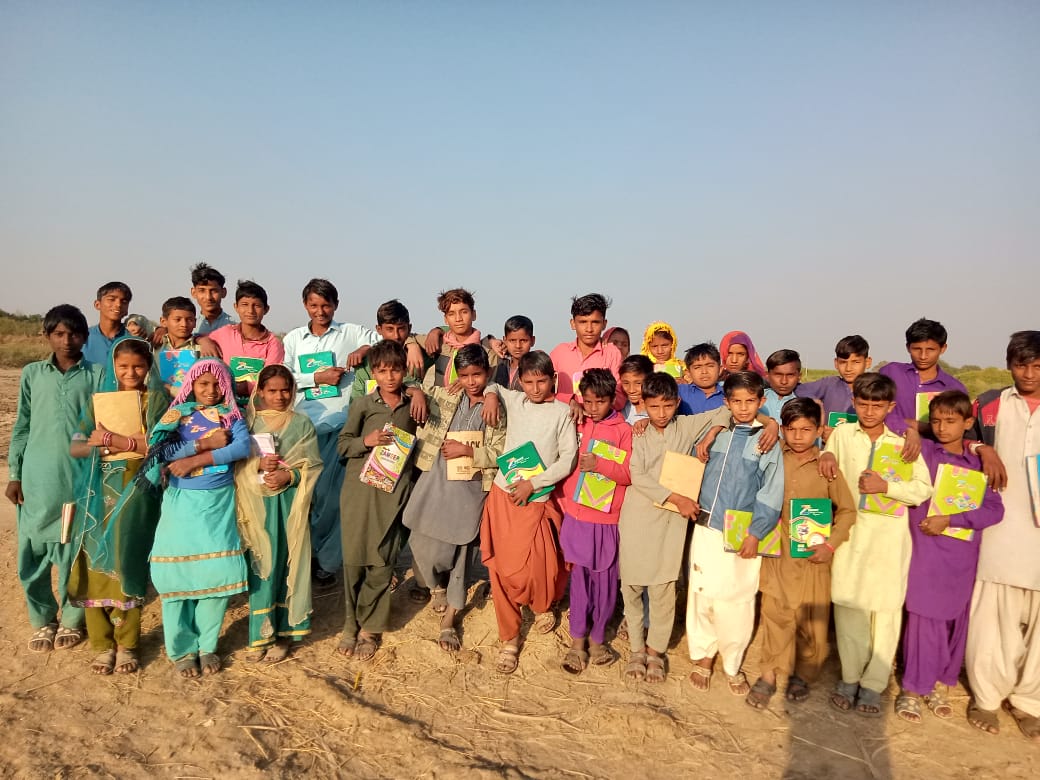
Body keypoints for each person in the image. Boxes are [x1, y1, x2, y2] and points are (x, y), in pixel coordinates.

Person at [618, 373, 765, 683]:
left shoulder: (686, 426)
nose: (661, 413)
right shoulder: (638, 432)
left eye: (668, 405)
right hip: (638, 517)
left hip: (671, 522)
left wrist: (711, 433)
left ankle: (655, 652)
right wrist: (676, 498)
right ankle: (635, 650)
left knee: (663, 588)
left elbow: (728, 410)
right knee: (631, 587)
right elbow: (637, 474)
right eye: (654, 406)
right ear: (643, 404)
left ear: (677, 403)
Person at [819, 373, 932, 716]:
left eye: (877, 405)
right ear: (854, 402)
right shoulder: (841, 434)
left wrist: (887, 488)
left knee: (885, 611)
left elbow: (923, 488)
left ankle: (874, 684)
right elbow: (827, 465)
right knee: (849, 605)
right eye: (863, 404)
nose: (869, 411)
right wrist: (826, 454)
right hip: (851, 533)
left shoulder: (902, 444)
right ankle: (850, 677)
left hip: (889, 538)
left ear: (890, 407)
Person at [896, 391, 1003, 723]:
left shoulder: (980, 463)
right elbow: (890, 418)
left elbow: (994, 510)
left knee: (953, 620)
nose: (942, 428)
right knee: (923, 617)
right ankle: (913, 687)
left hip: (961, 554)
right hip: (925, 550)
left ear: (968, 422)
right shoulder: (925, 452)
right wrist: (915, 430)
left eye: (951, 421)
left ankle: (939, 683)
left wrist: (952, 519)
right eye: (936, 421)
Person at [746, 398, 856, 709]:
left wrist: (830, 544)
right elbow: (754, 420)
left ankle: (803, 675)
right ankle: (769, 674)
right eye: (791, 429)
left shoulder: (826, 467)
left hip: (812, 558)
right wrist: (770, 424)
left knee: (811, 620)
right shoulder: (774, 455)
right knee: (774, 613)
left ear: (819, 431)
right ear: (783, 429)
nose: (798, 436)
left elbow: (847, 511)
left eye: (806, 430)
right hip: (778, 552)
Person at [145, 358, 251, 677]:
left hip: (218, 504)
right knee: (176, 575)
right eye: (203, 383)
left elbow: (241, 447)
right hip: (181, 503)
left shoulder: (232, 415)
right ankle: (182, 650)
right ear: (191, 385)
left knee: (214, 577)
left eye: (218, 383)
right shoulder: (177, 415)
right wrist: (202, 444)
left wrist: (198, 459)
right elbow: (160, 451)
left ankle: (207, 646)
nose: (211, 390)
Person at [8, 305, 103, 653]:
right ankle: (42, 619)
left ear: (85, 337)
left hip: (77, 478)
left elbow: (102, 426)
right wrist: (15, 474)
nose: (67, 341)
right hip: (37, 477)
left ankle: (71, 620)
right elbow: (22, 425)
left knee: (71, 551)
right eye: (59, 334)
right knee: (32, 552)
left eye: (74, 334)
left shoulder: (97, 375)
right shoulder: (32, 374)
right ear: (47, 335)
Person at [68, 336, 165, 674]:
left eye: (138, 366)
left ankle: (127, 643)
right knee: (94, 560)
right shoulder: (100, 402)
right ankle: (101, 644)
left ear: (149, 367)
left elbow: (161, 443)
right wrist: (107, 446)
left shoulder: (156, 400)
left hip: (137, 490)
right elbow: (76, 446)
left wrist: (115, 440)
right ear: (113, 366)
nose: (131, 372)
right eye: (123, 366)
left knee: (127, 561)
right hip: (98, 492)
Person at [686, 371, 784, 696]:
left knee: (737, 600)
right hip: (706, 526)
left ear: (761, 401)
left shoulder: (766, 440)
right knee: (702, 594)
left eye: (750, 401)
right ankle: (703, 657)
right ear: (726, 402)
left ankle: (732, 662)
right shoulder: (716, 433)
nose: (743, 407)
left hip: (742, 533)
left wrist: (756, 532)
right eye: (737, 401)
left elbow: (771, 491)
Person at [403, 344, 506, 652]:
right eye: (465, 375)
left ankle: (450, 618)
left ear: (488, 373)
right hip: (437, 476)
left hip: (472, 487)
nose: (472, 381)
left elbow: (501, 453)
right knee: (419, 537)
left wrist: (468, 451)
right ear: (457, 375)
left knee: (462, 551)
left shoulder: (498, 406)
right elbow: (405, 382)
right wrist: (416, 392)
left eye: (478, 375)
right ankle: (436, 586)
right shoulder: (447, 395)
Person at [481, 350, 578, 674]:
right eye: (528, 382)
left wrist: (533, 484)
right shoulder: (515, 400)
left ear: (553, 380)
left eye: (542, 381)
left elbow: (568, 459)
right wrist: (491, 396)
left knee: (540, 569)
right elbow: (493, 385)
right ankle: (509, 638)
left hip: (536, 499)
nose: (535, 389)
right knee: (501, 569)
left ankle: (541, 605)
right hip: (503, 495)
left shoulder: (562, 412)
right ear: (519, 381)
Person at [281, 278, 382, 584]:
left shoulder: (350, 332)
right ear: (305, 305)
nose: (320, 311)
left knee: (333, 499)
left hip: (339, 427)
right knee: (306, 496)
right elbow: (284, 377)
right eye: (314, 305)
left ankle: (326, 560)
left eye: (326, 305)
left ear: (335, 305)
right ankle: (304, 555)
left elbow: (384, 341)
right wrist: (317, 377)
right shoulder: (294, 339)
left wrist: (364, 348)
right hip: (302, 429)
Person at [965, 331, 1040, 739]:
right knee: (993, 620)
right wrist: (982, 448)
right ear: (1009, 365)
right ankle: (988, 697)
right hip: (1001, 527)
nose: (1028, 374)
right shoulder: (991, 404)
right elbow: (957, 432)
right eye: (1020, 365)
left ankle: (1030, 702)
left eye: (1037, 366)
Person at [335, 340, 424, 662]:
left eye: (396, 370)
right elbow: (343, 446)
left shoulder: (413, 405)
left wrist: (418, 393)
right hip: (359, 491)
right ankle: (350, 623)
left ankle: (370, 629)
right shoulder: (362, 404)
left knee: (382, 559)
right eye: (383, 371)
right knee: (354, 560)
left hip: (394, 491)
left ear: (404, 371)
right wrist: (367, 440)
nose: (389, 377)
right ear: (373, 372)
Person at [235, 365, 323, 662]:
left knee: (288, 561)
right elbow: (235, 463)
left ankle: (285, 634)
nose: (280, 396)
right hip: (256, 506)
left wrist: (290, 476)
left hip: (289, 504)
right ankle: (260, 635)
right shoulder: (247, 423)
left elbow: (313, 464)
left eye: (285, 390)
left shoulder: (302, 424)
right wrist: (256, 465)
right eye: (272, 390)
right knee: (262, 563)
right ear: (260, 391)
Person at [558, 369, 632, 674]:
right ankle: (577, 642)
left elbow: (629, 473)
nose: (593, 408)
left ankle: (598, 639)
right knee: (579, 581)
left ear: (613, 399)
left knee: (605, 583)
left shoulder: (624, 431)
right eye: (587, 401)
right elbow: (551, 398)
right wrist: (571, 401)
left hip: (606, 519)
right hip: (576, 515)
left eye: (599, 402)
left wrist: (601, 464)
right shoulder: (576, 420)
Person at [879, 318, 966, 458]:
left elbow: (960, 430)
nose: (923, 356)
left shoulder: (954, 388)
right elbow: (874, 410)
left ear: (943, 348)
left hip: (935, 458)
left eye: (930, 349)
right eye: (917, 349)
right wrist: (907, 428)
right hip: (889, 454)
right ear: (908, 347)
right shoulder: (891, 373)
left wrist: (920, 426)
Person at [209, 280, 285, 398]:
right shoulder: (225, 334)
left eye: (257, 305)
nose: (250, 311)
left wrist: (244, 387)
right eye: (245, 304)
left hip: (257, 405)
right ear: (236, 307)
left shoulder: (273, 344)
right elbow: (200, 340)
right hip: (224, 403)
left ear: (266, 309)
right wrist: (203, 341)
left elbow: (271, 381)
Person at [549, 293, 625, 411]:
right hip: (565, 419)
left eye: (595, 322)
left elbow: (619, 397)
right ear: (573, 323)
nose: (589, 329)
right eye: (583, 322)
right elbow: (543, 390)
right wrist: (569, 400)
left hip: (600, 421)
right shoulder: (559, 353)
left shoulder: (612, 353)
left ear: (604, 324)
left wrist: (593, 408)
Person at [350, 299, 431, 399]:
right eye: (390, 329)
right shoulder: (367, 362)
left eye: (401, 329)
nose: (396, 336)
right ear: (379, 329)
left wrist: (413, 342)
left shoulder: (419, 356)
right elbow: (356, 401)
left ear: (409, 328)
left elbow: (448, 337)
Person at [796, 335, 871, 442]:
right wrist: (814, 401)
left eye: (856, 362)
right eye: (843, 362)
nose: (848, 368)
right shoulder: (829, 384)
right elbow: (800, 389)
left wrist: (837, 435)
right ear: (836, 363)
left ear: (867, 362)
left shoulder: (874, 390)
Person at [423, 288, 499, 388]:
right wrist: (412, 346)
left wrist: (467, 380)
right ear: (446, 319)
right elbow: (408, 336)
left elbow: (493, 384)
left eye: (464, 312)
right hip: (440, 397)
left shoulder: (488, 351)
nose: (458, 319)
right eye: (451, 314)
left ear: (474, 315)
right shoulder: (439, 343)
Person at [83, 281, 131, 366]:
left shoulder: (133, 338)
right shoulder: (84, 338)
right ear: (97, 304)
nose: (118, 304)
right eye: (112, 299)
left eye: (124, 301)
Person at [677, 343, 725, 415]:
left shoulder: (730, 396)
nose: (704, 372)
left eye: (710, 366)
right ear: (688, 372)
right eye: (697, 367)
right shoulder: (680, 392)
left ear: (720, 369)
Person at [190, 262, 235, 336]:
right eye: (202, 290)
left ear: (223, 292)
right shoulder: (188, 328)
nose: (208, 297)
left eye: (214, 291)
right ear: (193, 292)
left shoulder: (236, 326)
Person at [493, 315, 536, 391]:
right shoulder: (500, 363)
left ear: (532, 341)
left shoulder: (536, 366)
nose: (518, 346)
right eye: (512, 340)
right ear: (505, 340)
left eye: (523, 340)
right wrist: (491, 341)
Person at [763, 349, 802, 421]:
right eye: (778, 375)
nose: (784, 381)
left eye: (790, 375)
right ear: (767, 375)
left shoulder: (803, 405)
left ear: (799, 376)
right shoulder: (755, 398)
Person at [619, 355, 653, 424]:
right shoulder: (619, 407)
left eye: (638, 383)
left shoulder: (661, 407)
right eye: (626, 383)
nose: (631, 390)